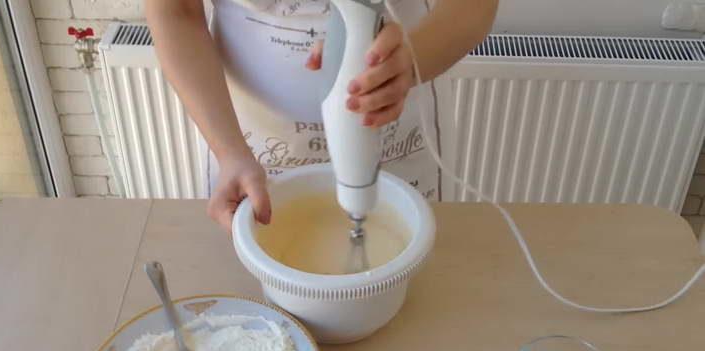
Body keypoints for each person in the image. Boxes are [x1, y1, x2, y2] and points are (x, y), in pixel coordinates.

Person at [146, 0, 498, 231]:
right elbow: (174, 10)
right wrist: (230, 153)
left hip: (396, 127)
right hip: (247, 139)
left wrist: (408, 63)